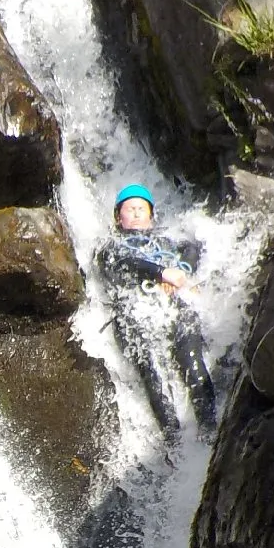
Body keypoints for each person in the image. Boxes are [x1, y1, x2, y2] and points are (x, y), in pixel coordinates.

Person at [96, 184, 216, 437]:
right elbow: (123, 263)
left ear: (151, 216)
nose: (137, 213)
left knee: (192, 360)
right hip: (132, 313)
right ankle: (173, 438)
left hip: (170, 305)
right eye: (131, 209)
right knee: (152, 372)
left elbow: (193, 248)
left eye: (142, 208)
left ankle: (209, 432)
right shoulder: (109, 246)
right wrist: (160, 272)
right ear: (119, 217)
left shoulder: (166, 240)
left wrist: (181, 272)